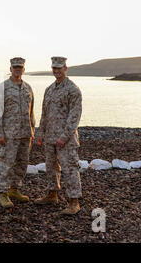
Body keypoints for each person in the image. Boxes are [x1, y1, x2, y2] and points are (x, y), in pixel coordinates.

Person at [35, 56, 83, 215]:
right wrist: (40, 133)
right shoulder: (49, 89)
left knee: (69, 168)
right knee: (51, 167)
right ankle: (52, 194)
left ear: (65, 68)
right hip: (49, 136)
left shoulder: (73, 90)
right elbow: (44, 113)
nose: (56, 71)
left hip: (65, 138)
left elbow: (74, 116)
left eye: (59, 68)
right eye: (54, 68)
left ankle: (74, 201)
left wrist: (64, 136)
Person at [0, 57, 35, 208]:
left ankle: (14, 190)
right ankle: (3, 193)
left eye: (20, 67)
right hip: (9, 134)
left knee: (22, 163)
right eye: (15, 67)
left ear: (23, 69)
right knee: (7, 164)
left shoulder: (28, 88)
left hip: (25, 133)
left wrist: (33, 130)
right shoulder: (3, 88)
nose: (17, 69)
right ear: (10, 69)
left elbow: (31, 112)